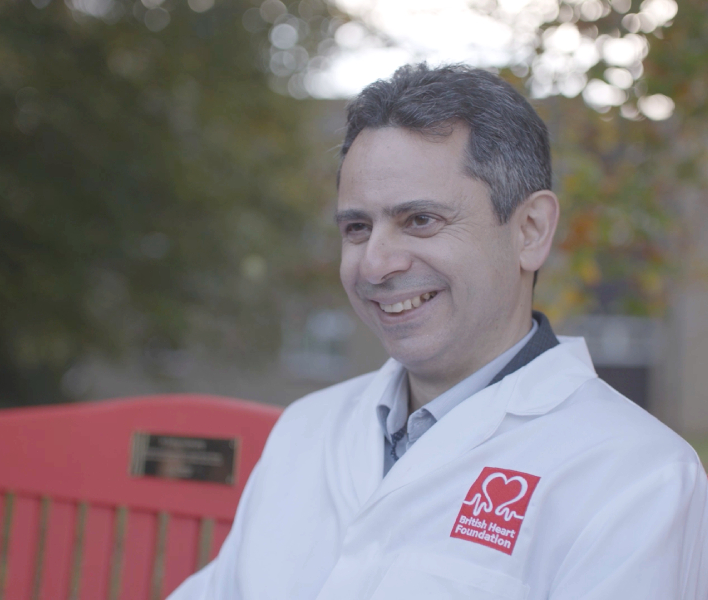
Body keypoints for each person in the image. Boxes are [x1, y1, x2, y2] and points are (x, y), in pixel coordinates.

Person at [168, 64, 708, 599]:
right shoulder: (305, 430)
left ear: (530, 231)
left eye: (420, 220)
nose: (375, 263)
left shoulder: (638, 479)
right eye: (357, 227)